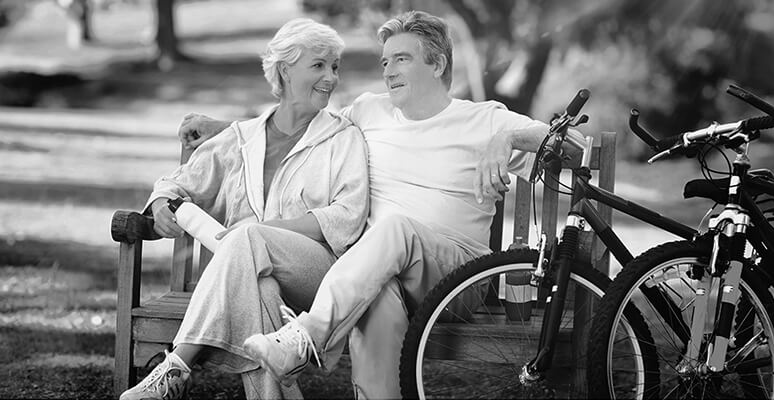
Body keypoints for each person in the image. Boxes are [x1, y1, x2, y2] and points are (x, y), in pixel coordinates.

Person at [181, 11, 584, 399]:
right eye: (385, 61)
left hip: (457, 278)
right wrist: (222, 130)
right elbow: (300, 119)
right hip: (378, 272)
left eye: (402, 59)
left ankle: (307, 338)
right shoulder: (368, 111)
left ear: (438, 63)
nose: (388, 71)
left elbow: (574, 150)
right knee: (377, 295)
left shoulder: (485, 120)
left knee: (395, 229)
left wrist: (508, 140)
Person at [119, 18, 369, 400]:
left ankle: (177, 365)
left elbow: (346, 217)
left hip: (317, 280)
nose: (331, 77)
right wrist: (159, 204)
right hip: (248, 280)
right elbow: (175, 183)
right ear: (284, 70)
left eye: (335, 66)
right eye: (318, 65)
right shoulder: (240, 140)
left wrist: (269, 232)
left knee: (250, 235)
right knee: (260, 289)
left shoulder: (342, 138)